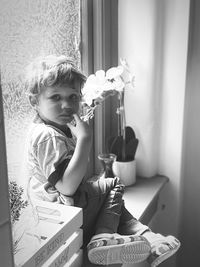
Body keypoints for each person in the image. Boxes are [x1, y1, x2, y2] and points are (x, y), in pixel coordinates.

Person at [24, 55, 180, 266]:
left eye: (73, 97)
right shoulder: (47, 136)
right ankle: (105, 236)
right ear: (34, 101)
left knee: (106, 192)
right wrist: (85, 139)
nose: (67, 105)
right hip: (62, 212)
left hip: (63, 210)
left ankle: (148, 239)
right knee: (112, 184)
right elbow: (67, 187)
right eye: (55, 97)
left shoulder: (52, 130)